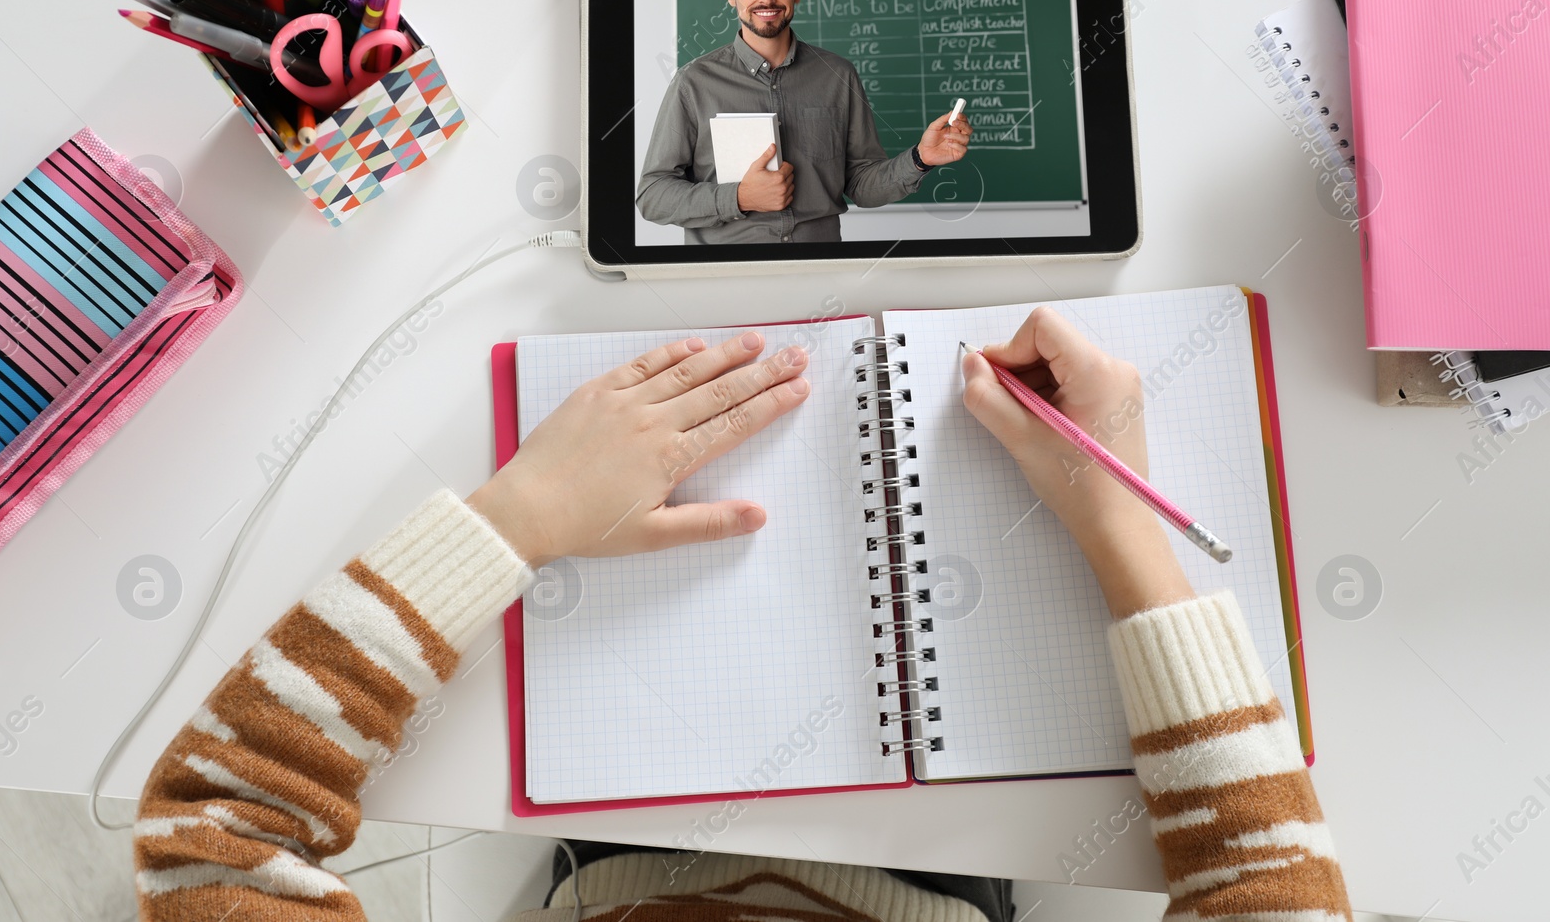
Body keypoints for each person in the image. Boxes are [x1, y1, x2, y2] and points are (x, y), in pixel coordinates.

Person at [131, 309, 1352, 920]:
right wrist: (1122, 525)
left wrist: (518, 516)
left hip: (619, 883)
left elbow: (212, 832)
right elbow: (1271, 885)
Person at [636, 0, 973, 244]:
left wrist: (920, 158)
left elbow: (862, 185)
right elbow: (652, 196)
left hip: (821, 270)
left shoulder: (838, 75)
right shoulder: (694, 82)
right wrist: (738, 197)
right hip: (725, 278)